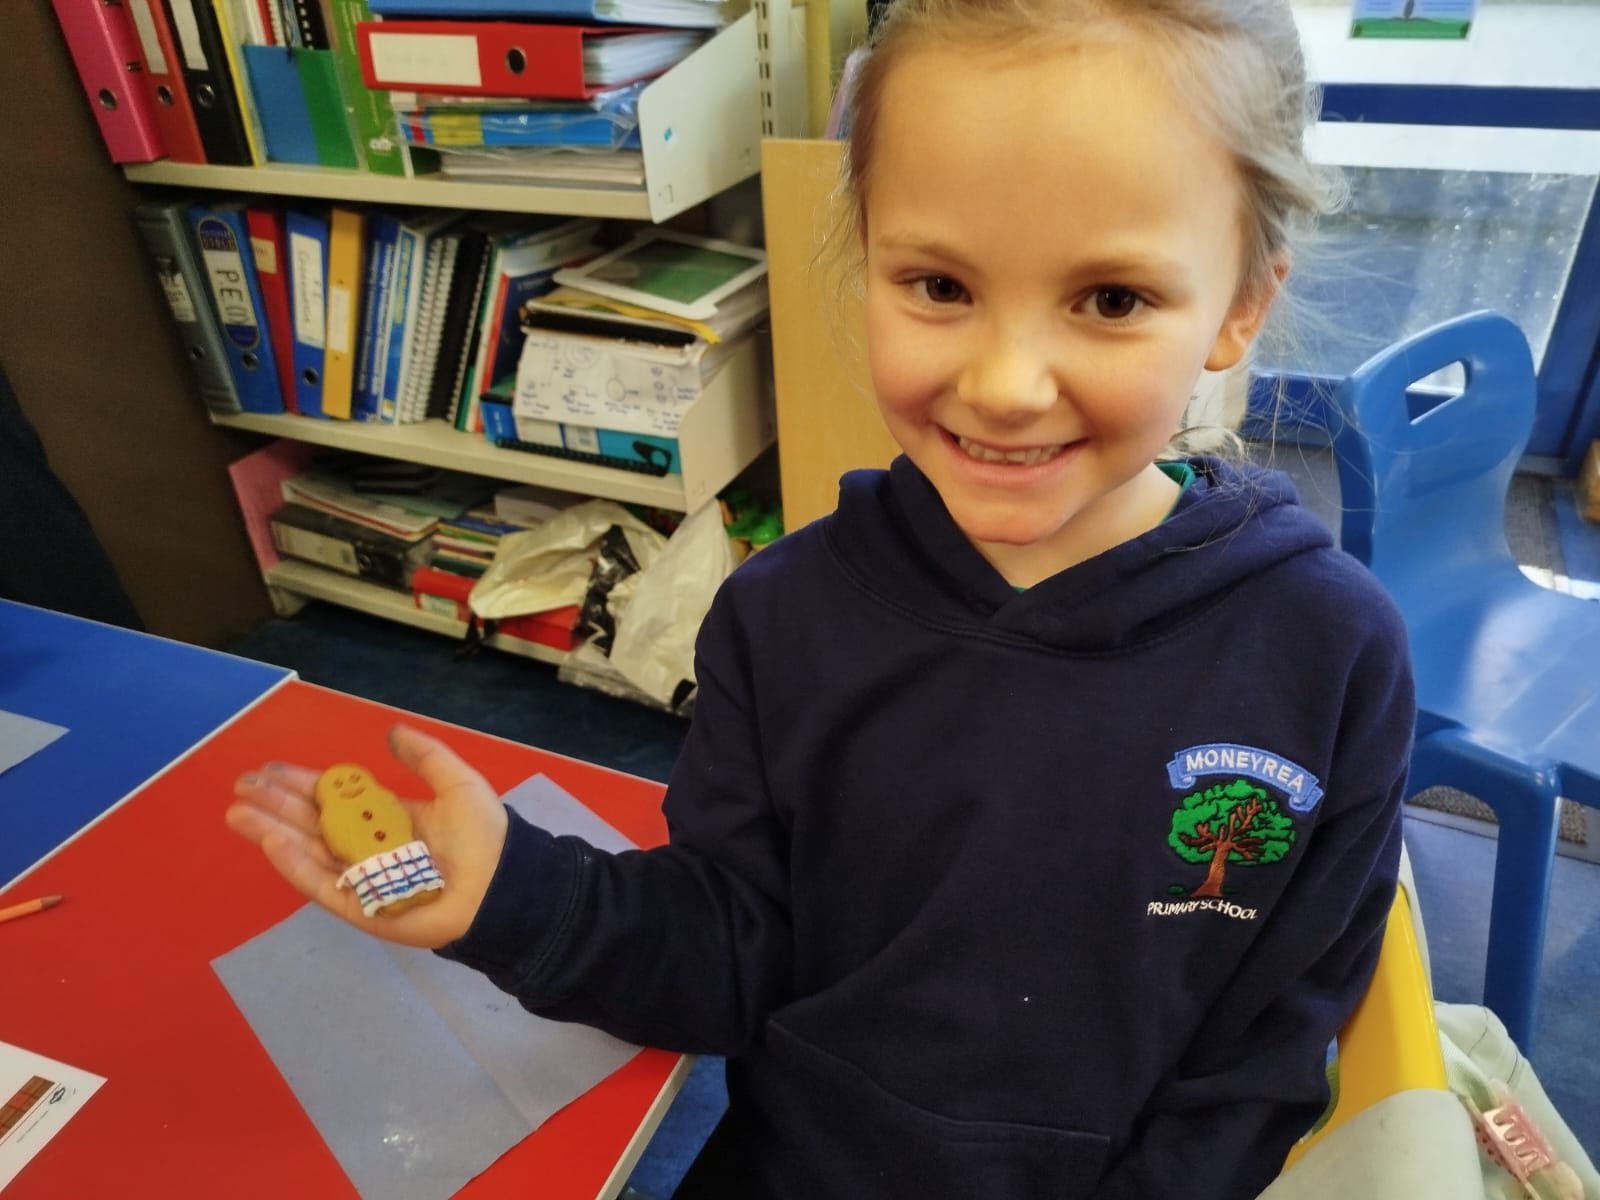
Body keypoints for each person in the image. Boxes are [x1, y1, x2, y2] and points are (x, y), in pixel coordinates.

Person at [226, 0, 1415, 1195]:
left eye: (1110, 299)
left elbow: (1259, 1061)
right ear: (865, 259)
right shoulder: (781, 617)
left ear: (1241, 304)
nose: (1006, 385)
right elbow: (733, 950)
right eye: (939, 284)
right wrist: (514, 897)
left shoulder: (1326, 651)